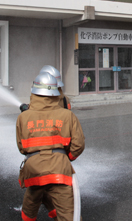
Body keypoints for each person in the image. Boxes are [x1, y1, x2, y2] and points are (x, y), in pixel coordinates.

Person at [17, 72, 85, 221]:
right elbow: (78, 144)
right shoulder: (67, 115)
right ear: (55, 92)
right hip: (60, 170)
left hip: (34, 170)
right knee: (69, 214)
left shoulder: (23, 117)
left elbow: (21, 147)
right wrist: (65, 158)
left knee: (29, 210)